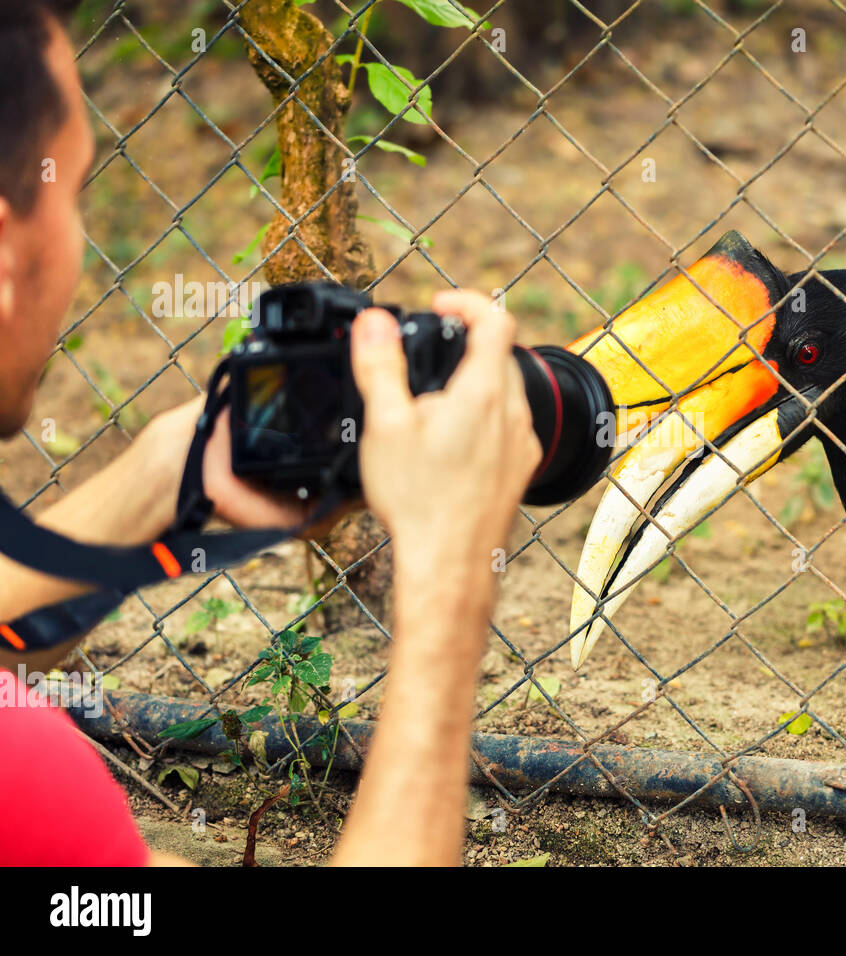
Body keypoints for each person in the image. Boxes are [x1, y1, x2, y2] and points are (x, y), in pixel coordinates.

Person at [0, 0, 540, 866]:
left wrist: (177, 463)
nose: (84, 235)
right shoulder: (28, 780)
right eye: (78, 191)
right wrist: (448, 581)